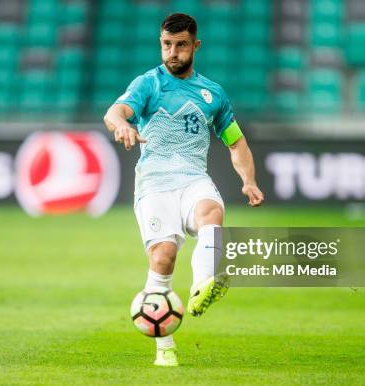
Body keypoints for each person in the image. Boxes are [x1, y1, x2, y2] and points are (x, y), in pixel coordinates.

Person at [103, 13, 264, 367]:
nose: (172, 53)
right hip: (155, 182)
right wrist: (122, 126)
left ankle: (203, 285)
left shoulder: (213, 94)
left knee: (212, 212)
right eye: (166, 45)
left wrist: (248, 180)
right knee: (163, 257)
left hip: (193, 178)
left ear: (195, 46)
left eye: (180, 45)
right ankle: (165, 346)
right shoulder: (149, 83)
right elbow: (115, 112)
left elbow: (235, 143)